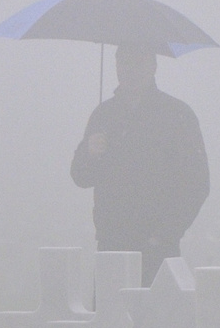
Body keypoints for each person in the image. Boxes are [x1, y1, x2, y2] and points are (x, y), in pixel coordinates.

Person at [71, 44, 209, 285]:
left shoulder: (177, 115)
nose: (131, 70)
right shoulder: (104, 115)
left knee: (157, 322)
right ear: (115, 65)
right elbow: (81, 177)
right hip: (112, 247)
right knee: (109, 322)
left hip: (159, 252)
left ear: (153, 66)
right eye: (125, 62)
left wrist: (164, 235)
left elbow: (197, 184)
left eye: (139, 62)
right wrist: (89, 153)